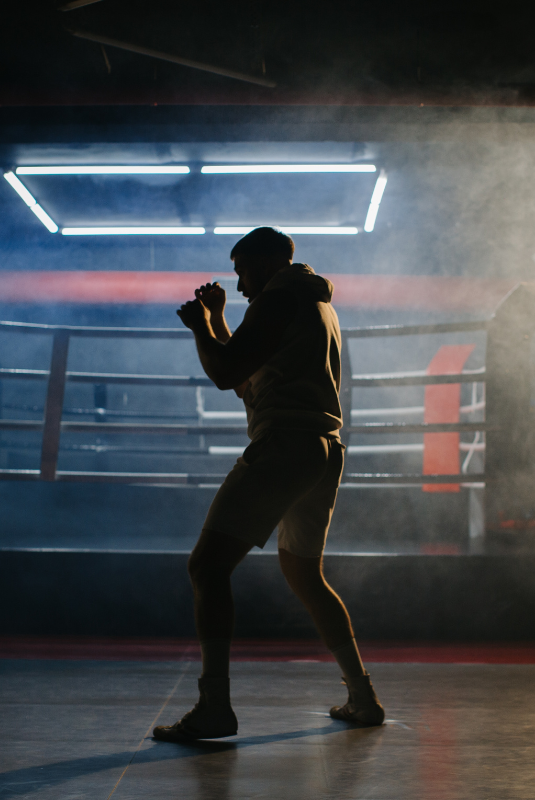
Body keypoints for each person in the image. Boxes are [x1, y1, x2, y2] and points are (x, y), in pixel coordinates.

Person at [154, 227, 385, 742]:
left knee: (207, 567)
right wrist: (215, 319)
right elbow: (245, 381)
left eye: (242, 272)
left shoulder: (280, 296)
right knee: (305, 577)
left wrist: (198, 328)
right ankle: (363, 697)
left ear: (264, 263)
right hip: (322, 450)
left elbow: (224, 371)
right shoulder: (315, 305)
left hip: (284, 447)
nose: (239, 287)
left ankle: (215, 706)